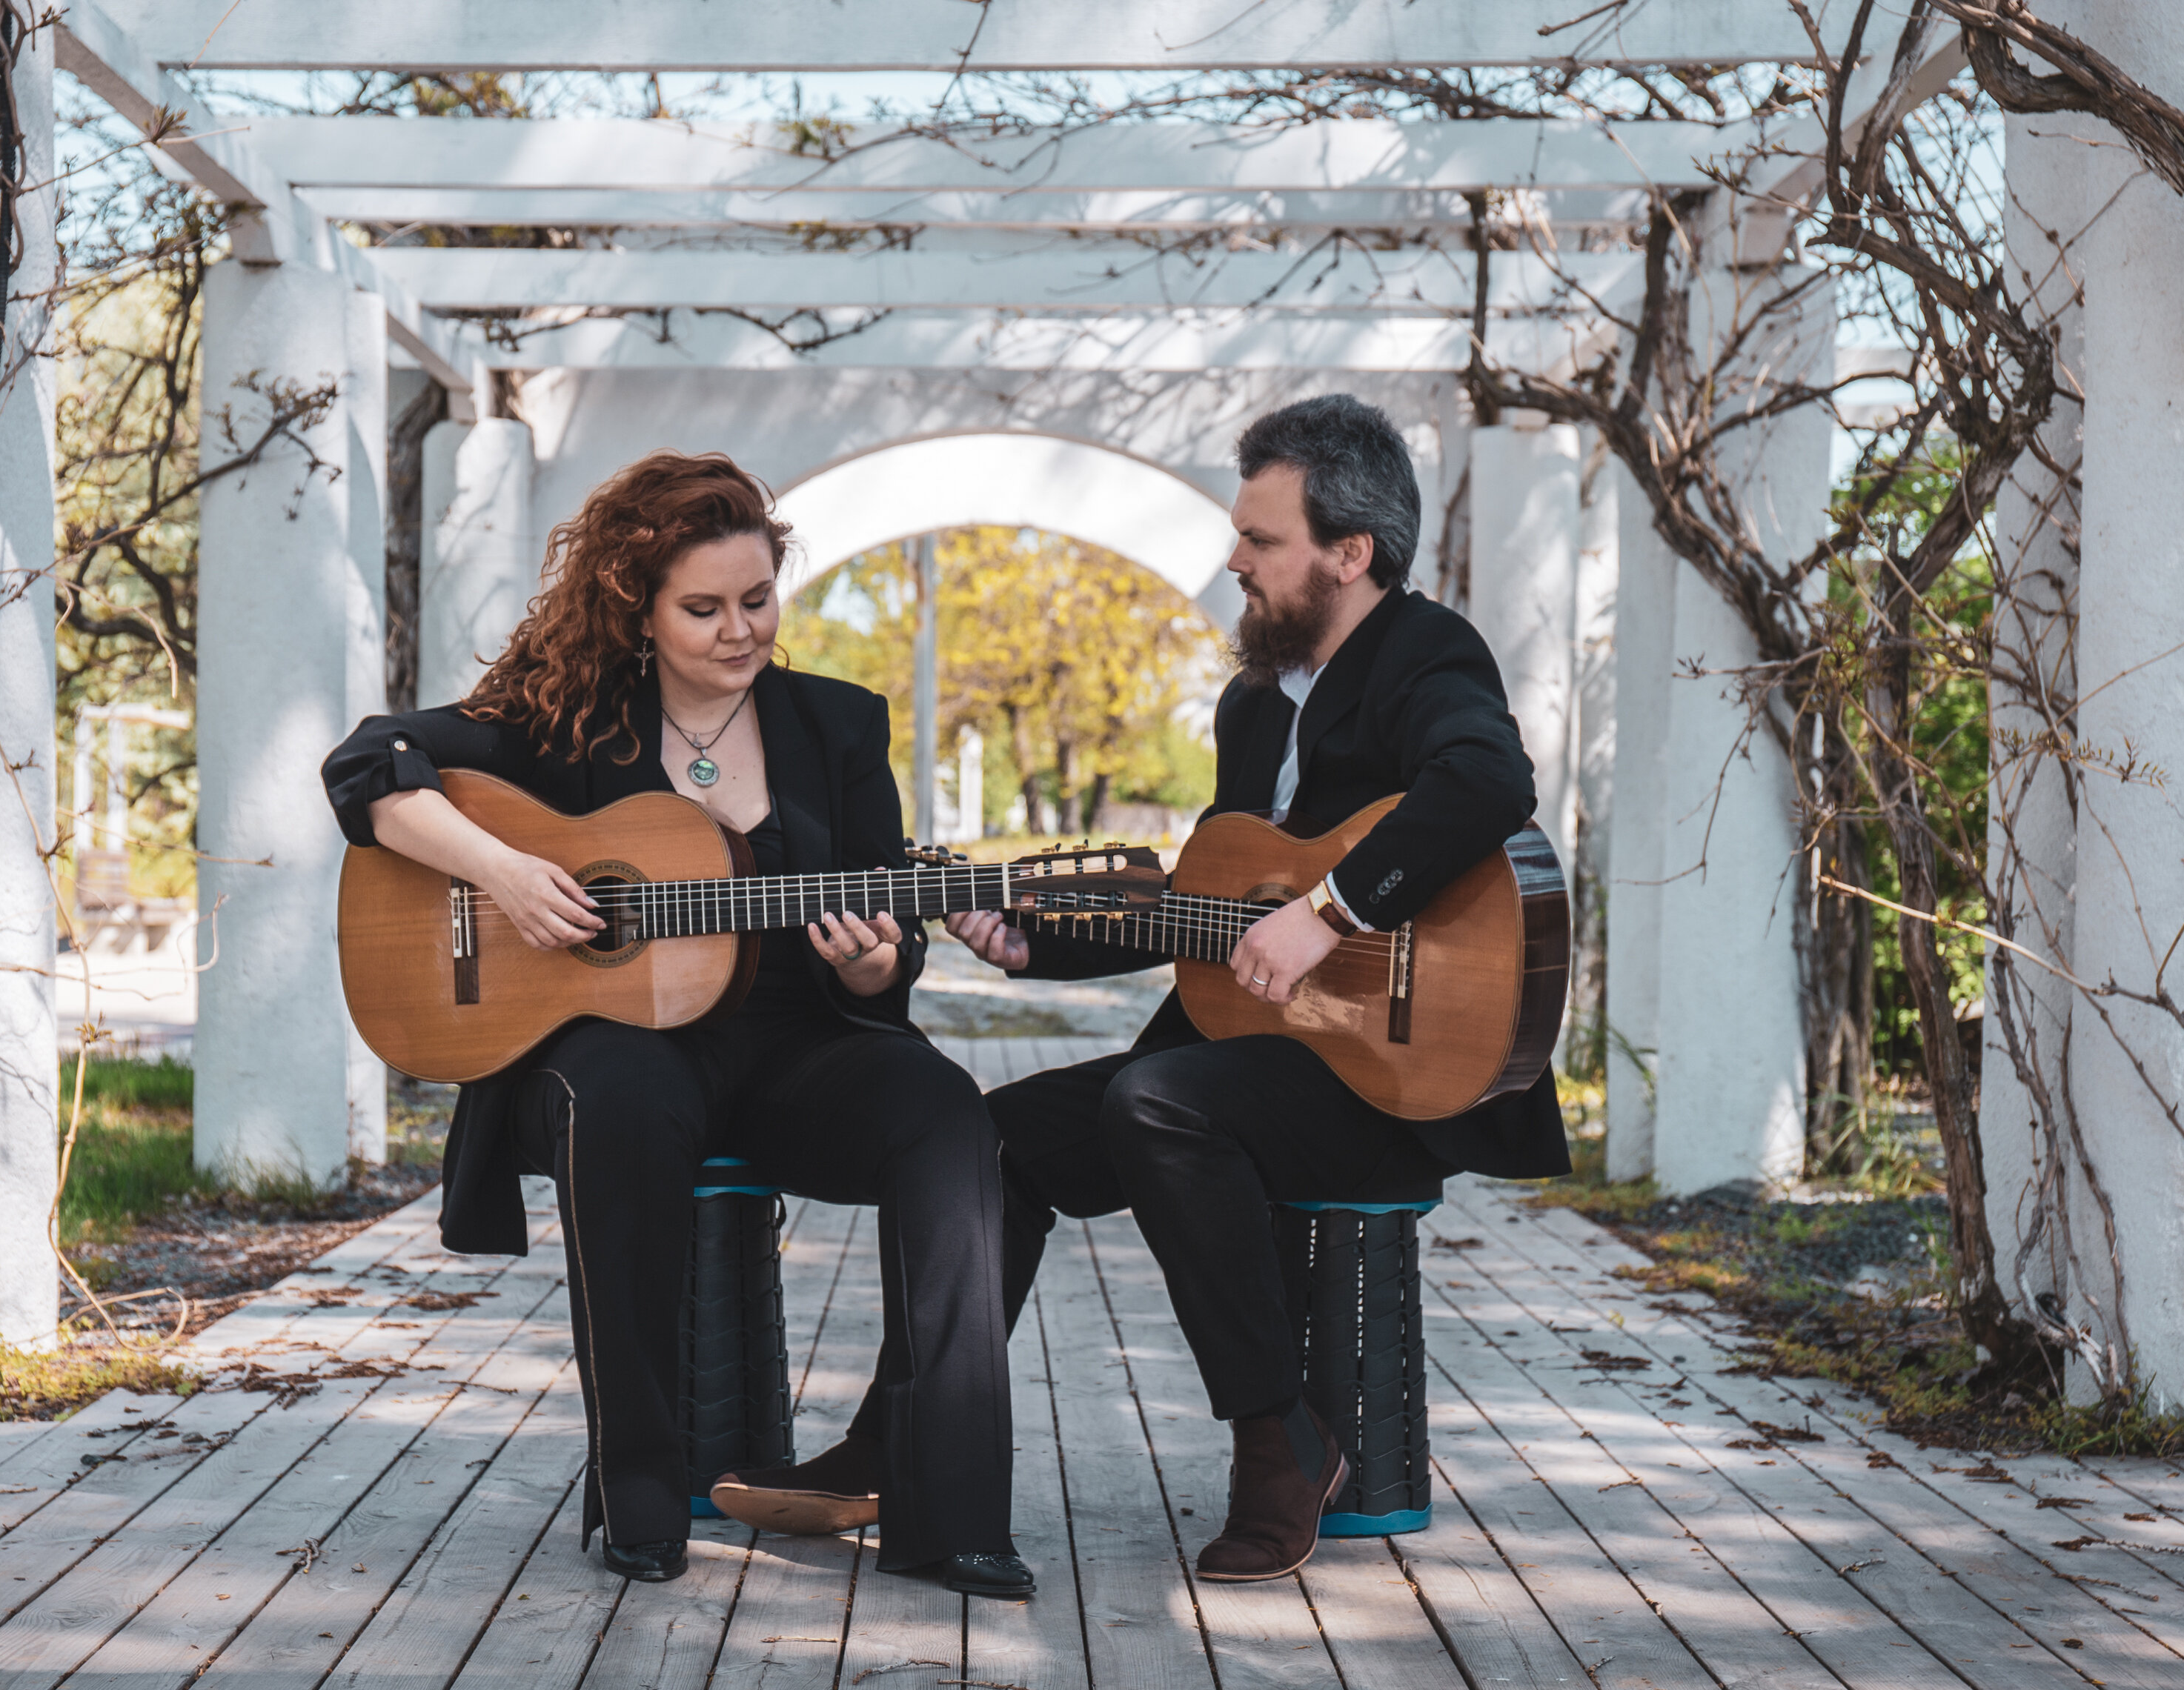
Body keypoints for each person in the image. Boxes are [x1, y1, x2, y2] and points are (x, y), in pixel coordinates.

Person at [715, 395, 1570, 1583]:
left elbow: (1487, 785)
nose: (1234, 559)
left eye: (1261, 540)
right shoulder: (1254, 703)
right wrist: (1031, 945)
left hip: (1397, 1082)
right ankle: (892, 1443)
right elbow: (1215, 914)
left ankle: (1280, 1442)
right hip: (1249, 1063)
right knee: (991, 1135)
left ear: (1350, 554)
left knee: (1159, 1098)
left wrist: (1329, 917)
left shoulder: (1426, 655)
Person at [321, 451, 1030, 1600]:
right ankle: (641, 1494)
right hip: (627, 1046)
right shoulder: (565, 721)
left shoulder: (839, 725)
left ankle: (948, 1510)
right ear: (637, 608)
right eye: (703, 609)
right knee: (622, 1101)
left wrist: (876, 966)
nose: (740, 631)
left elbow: (882, 973)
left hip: (802, 1050)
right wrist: (502, 870)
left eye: (758, 601)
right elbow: (368, 766)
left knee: (950, 1115)